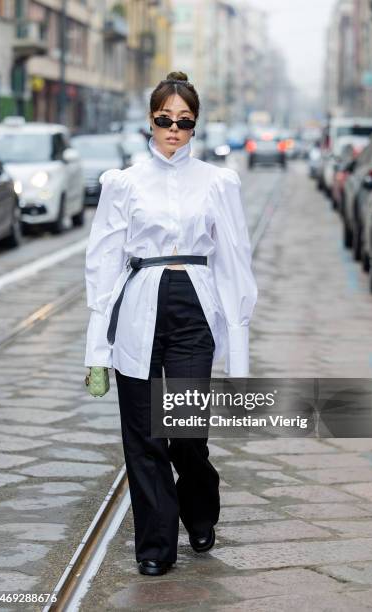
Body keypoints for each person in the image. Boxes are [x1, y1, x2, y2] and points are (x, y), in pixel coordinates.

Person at [84, 71, 258, 576]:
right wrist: (97, 350)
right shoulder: (123, 183)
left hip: (194, 310)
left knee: (186, 434)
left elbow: (234, 261)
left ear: (195, 125)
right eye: (165, 120)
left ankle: (200, 508)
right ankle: (155, 547)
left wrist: (240, 354)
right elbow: (104, 263)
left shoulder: (219, 182)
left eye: (184, 122)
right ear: (150, 122)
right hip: (139, 305)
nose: (174, 130)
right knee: (143, 437)